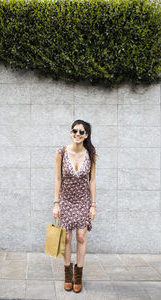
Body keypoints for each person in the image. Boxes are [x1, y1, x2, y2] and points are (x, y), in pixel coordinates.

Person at [53, 119, 97, 293]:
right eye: (75, 131)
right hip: (66, 200)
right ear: (71, 132)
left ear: (86, 135)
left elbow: (92, 180)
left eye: (81, 132)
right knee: (66, 238)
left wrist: (93, 205)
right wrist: (56, 203)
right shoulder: (61, 152)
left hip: (83, 200)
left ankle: (78, 275)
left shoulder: (91, 153)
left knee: (80, 237)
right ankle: (67, 274)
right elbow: (58, 179)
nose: (77, 134)